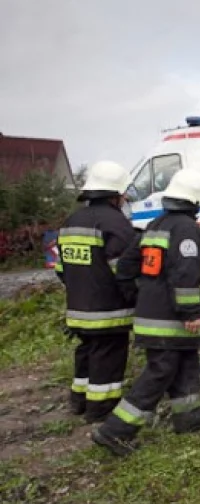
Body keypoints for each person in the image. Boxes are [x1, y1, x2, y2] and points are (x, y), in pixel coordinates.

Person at [92, 169, 200, 457]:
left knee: (185, 363)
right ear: (195, 201)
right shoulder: (186, 229)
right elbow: (185, 275)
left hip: (151, 314)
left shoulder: (154, 225)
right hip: (170, 320)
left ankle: (189, 418)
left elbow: (125, 267)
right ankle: (115, 431)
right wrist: (190, 313)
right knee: (159, 373)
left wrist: (142, 294)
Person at [55, 161, 137, 424]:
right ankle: (100, 409)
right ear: (116, 194)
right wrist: (137, 298)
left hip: (78, 307)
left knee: (86, 352)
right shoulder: (116, 224)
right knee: (108, 356)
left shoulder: (71, 221)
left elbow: (60, 268)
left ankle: (78, 400)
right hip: (108, 310)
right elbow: (123, 270)